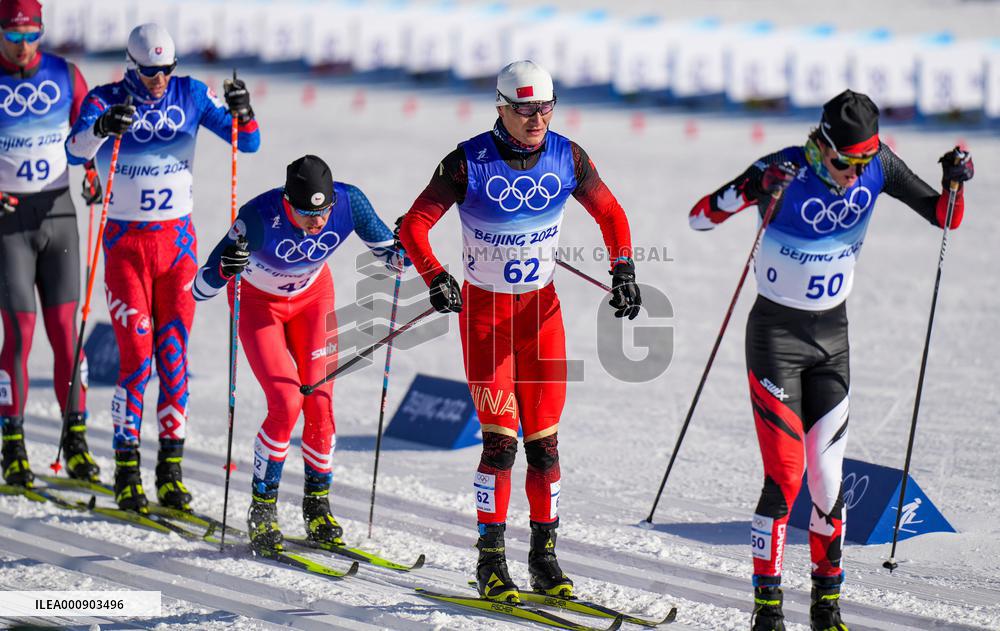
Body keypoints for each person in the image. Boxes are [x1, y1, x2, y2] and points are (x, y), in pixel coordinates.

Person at [688, 89, 974, 631]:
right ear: (822, 144)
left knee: (827, 483)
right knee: (785, 479)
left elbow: (945, 216)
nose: (853, 175)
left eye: (862, 164)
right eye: (845, 163)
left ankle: (826, 608)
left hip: (832, 340)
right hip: (776, 337)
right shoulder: (783, 168)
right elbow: (700, 217)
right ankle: (767, 612)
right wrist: (750, 190)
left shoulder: (878, 164)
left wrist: (956, 181)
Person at [399, 60, 641, 603]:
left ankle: (544, 558)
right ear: (501, 107)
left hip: (541, 316)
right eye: (525, 108)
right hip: (486, 317)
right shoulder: (467, 162)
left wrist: (623, 268)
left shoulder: (568, 156)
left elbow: (612, 213)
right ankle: (490, 562)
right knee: (500, 444)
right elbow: (413, 226)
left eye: (546, 107)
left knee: (546, 448)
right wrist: (435, 278)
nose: (537, 119)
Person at [65, 23, 261, 513]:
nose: (158, 79)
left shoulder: (191, 93)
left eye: (166, 69)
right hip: (126, 247)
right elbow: (73, 151)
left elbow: (248, 142)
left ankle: (169, 471)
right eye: (150, 71)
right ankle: (126, 469)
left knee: (173, 361)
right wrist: (102, 128)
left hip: (176, 249)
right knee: (137, 360)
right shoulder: (108, 97)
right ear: (131, 65)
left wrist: (244, 111)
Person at [192, 155, 405, 551]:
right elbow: (200, 289)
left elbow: (392, 255)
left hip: (312, 301)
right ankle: (262, 506)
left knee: (320, 401)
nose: (317, 222)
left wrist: (405, 251)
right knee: (287, 401)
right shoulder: (257, 216)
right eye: (307, 213)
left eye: (323, 212)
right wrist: (224, 268)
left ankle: (317, 506)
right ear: (287, 202)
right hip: (259, 306)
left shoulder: (350, 203)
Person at [0, 0, 102, 487]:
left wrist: (93, 172)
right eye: (13, 37)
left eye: (31, 36)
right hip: (8, 224)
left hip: (58, 213)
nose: (23, 47)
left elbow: (86, 133)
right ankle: (13, 445)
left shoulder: (65, 73)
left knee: (66, 334)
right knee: (19, 335)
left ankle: (75, 442)